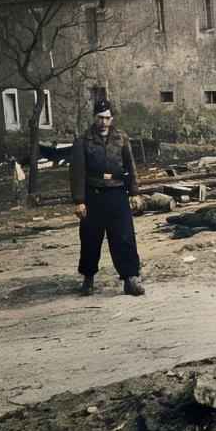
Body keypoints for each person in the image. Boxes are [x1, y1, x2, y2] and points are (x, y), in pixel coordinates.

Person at [69, 99, 145, 296]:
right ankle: (88, 280)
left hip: (117, 193)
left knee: (124, 237)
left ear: (112, 118)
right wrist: (79, 201)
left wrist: (134, 192)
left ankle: (129, 279)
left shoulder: (121, 138)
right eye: (100, 118)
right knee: (90, 239)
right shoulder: (83, 140)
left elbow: (130, 167)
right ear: (94, 117)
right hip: (93, 196)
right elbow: (77, 172)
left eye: (107, 118)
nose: (104, 122)